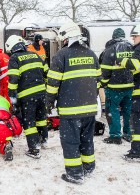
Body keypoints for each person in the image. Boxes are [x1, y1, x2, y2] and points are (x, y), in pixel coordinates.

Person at [47, 22, 101, 184]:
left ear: (66, 38)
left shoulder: (61, 56)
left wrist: (49, 102)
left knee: (70, 142)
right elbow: (98, 81)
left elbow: (52, 84)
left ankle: (75, 174)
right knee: (87, 139)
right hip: (90, 108)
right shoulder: (91, 54)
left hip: (70, 110)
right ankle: (88, 167)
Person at [6, 35, 48, 159]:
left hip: (27, 96)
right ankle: (43, 140)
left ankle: (34, 149)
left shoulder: (14, 58)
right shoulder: (35, 55)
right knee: (40, 118)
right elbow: (46, 73)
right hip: (41, 93)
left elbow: (13, 79)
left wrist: (13, 98)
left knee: (29, 122)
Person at [101, 28, 134, 144]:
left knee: (113, 110)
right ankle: (128, 133)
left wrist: (103, 83)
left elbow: (105, 70)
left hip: (114, 87)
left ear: (113, 37)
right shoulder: (132, 47)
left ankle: (115, 136)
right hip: (131, 86)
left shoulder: (110, 49)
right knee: (128, 111)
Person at [116, 24, 140, 159]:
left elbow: (136, 66)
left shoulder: (139, 50)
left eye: (135, 36)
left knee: (137, 124)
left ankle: (136, 152)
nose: (133, 38)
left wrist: (123, 61)